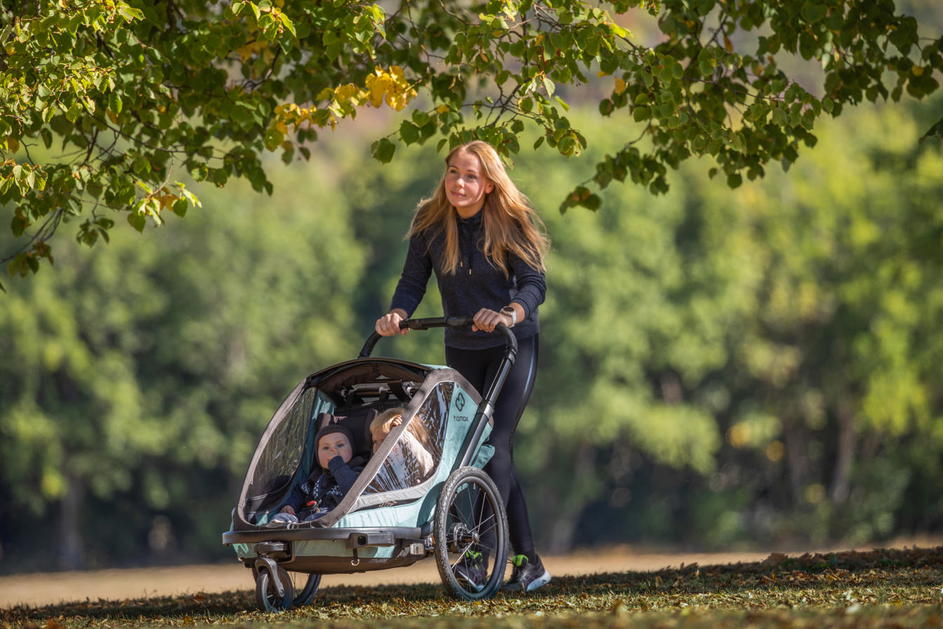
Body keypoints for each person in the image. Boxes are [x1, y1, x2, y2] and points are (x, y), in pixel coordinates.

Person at [374, 140, 551, 593]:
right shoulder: (431, 223)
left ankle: (478, 557)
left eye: (470, 176)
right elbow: (412, 280)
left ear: (489, 184)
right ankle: (529, 561)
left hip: (512, 345)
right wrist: (397, 313)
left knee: (493, 444)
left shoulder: (511, 222)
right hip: (463, 346)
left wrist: (509, 312)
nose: (459, 182)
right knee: (473, 452)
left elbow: (534, 284)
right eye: (453, 172)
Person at [267, 424, 365, 525]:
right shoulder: (316, 476)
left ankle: (303, 527)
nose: (333, 450)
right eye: (326, 448)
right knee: (282, 516)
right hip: (306, 515)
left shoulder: (357, 472)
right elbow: (300, 492)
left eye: (340, 445)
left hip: (333, 516)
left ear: (352, 449)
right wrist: (290, 505)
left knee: (316, 519)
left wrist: (337, 464)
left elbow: (354, 490)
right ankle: (279, 527)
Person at [370, 407, 435, 476]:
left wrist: (402, 434)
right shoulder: (382, 471)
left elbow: (426, 464)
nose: (377, 449)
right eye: (375, 442)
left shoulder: (418, 467)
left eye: (385, 442)